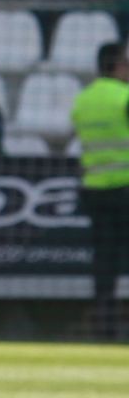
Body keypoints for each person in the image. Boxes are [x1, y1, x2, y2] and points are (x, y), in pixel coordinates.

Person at [69, 42, 129, 338]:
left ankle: (103, 325)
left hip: (94, 188)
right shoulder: (124, 96)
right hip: (125, 187)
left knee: (105, 259)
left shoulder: (83, 99)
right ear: (118, 66)